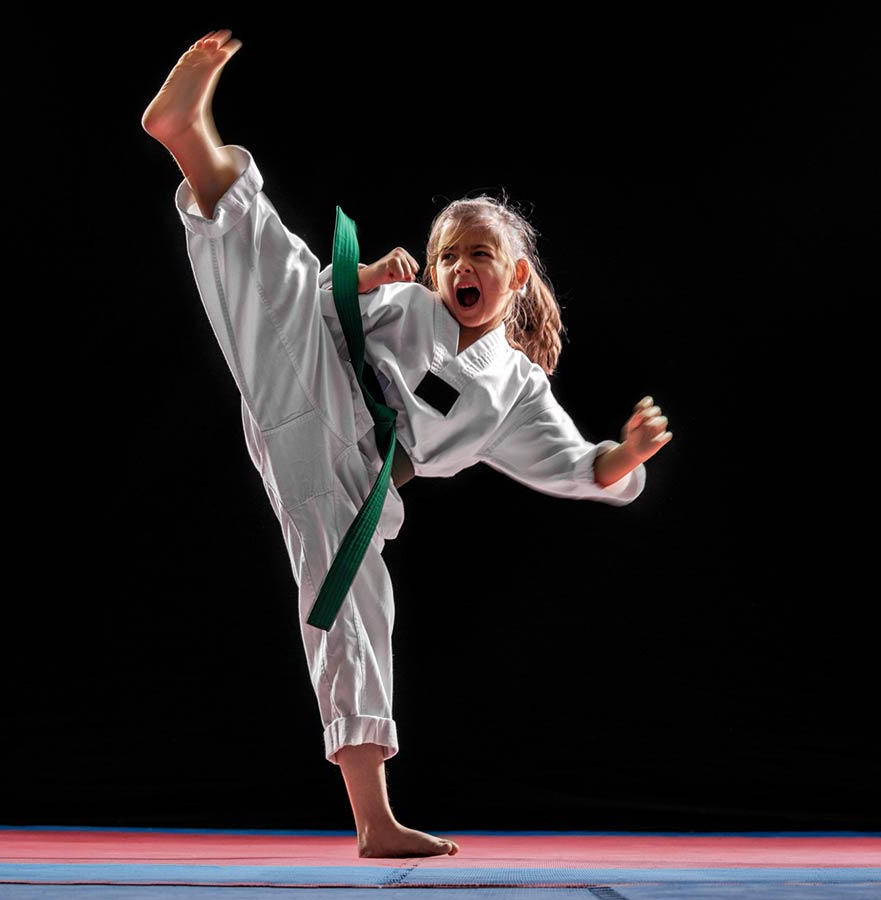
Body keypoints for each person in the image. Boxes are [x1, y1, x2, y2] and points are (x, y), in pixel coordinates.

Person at [141, 29, 673, 859]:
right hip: (317, 384)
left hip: (348, 471)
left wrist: (630, 454)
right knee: (275, 267)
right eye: (447, 254)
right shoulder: (412, 307)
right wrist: (361, 280)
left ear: (516, 276)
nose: (459, 265)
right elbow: (310, 303)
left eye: (479, 255)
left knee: (353, 616)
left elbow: (580, 467)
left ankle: (373, 821)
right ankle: (188, 136)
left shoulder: (517, 390)